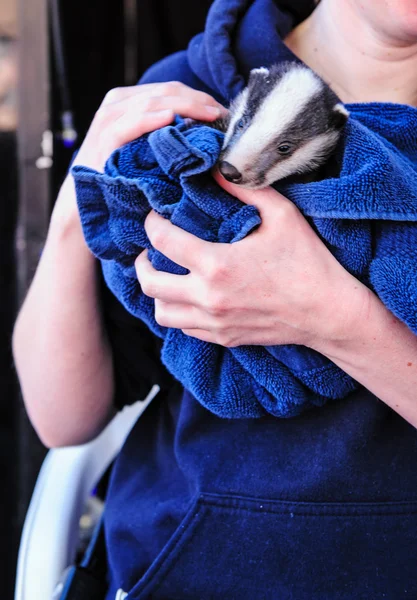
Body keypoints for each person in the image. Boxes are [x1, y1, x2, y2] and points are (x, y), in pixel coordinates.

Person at [13, 0, 417, 598]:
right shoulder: (182, 92)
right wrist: (81, 202)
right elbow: (63, 417)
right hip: (193, 566)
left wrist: (334, 319)